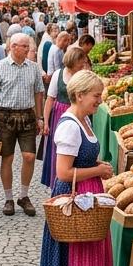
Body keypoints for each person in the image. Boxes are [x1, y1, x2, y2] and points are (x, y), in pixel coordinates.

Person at [39, 69, 114, 266]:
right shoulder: (69, 125)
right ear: (80, 95)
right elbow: (63, 172)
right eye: (96, 96)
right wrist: (98, 169)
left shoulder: (84, 119)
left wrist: (95, 167)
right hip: (72, 202)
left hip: (84, 197)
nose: (99, 101)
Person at [0, 32, 45, 216]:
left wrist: (40, 118)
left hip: (27, 116)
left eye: (28, 46)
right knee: (7, 158)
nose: (27, 49)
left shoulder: (33, 68)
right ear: (13, 47)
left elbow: (39, 93)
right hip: (4, 116)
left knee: (29, 157)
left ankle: (24, 196)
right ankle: (8, 198)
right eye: (24, 46)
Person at [41, 46, 91, 189]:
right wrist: (46, 122)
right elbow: (50, 99)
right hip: (59, 114)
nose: (83, 64)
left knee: (78, 149)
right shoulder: (58, 74)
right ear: (73, 60)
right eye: (81, 61)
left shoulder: (83, 75)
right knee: (60, 150)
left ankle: (76, 181)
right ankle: (57, 183)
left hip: (80, 114)